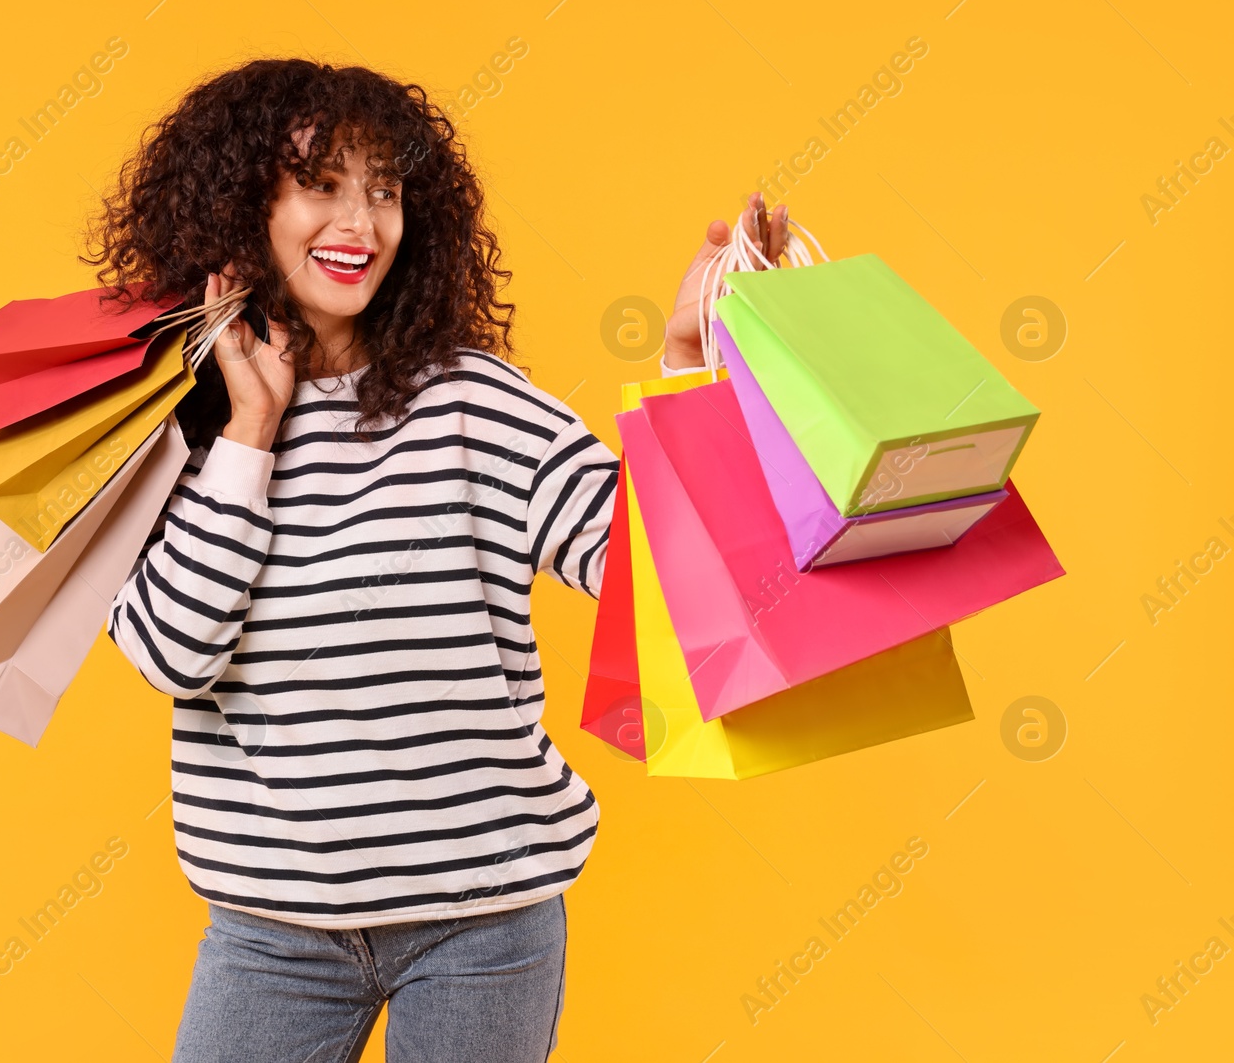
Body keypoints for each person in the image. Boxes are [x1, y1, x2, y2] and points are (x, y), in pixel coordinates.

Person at [85, 57, 789, 1063]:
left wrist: (689, 364)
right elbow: (169, 654)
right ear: (241, 202)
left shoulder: (474, 403)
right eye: (321, 183)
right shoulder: (169, 426)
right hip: (269, 929)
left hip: (484, 920)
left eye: (384, 189)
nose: (361, 224)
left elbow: (653, 560)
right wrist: (248, 429)